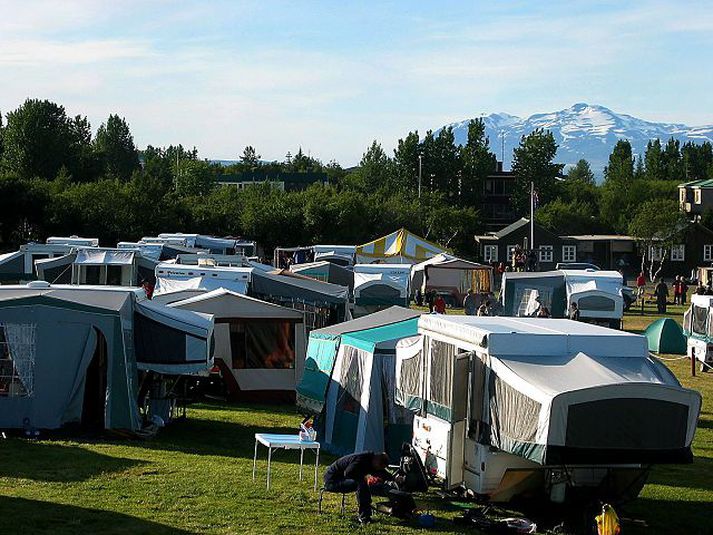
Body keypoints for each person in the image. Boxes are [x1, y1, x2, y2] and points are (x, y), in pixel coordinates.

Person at [323, 451, 391, 524]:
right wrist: (364, 478)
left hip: (342, 479)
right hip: (333, 481)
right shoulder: (360, 459)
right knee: (360, 484)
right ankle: (364, 517)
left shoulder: (371, 461)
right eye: (380, 467)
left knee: (362, 483)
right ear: (377, 461)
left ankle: (366, 513)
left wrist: (393, 478)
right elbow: (348, 473)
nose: (379, 469)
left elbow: (381, 472)